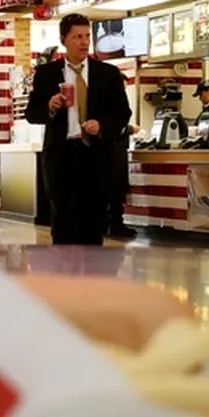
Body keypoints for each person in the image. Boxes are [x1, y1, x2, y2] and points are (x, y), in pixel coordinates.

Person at [26, 13, 132, 245]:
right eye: (77, 37)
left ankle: (93, 280)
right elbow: (32, 114)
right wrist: (49, 108)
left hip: (96, 158)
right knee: (64, 226)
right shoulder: (46, 74)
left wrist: (102, 125)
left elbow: (123, 114)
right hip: (62, 158)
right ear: (64, 39)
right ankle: (65, 279)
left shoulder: (108, 74)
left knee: (94, 227)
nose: (84, 42)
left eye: (87, 36)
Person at [108, 73, 138, 239]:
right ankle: (116, 224)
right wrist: (130, 129)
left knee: (113, 190)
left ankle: (111, 223)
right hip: (114, 152)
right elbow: (116, 127)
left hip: (114, 152)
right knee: (115, 189)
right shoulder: (113, 104)